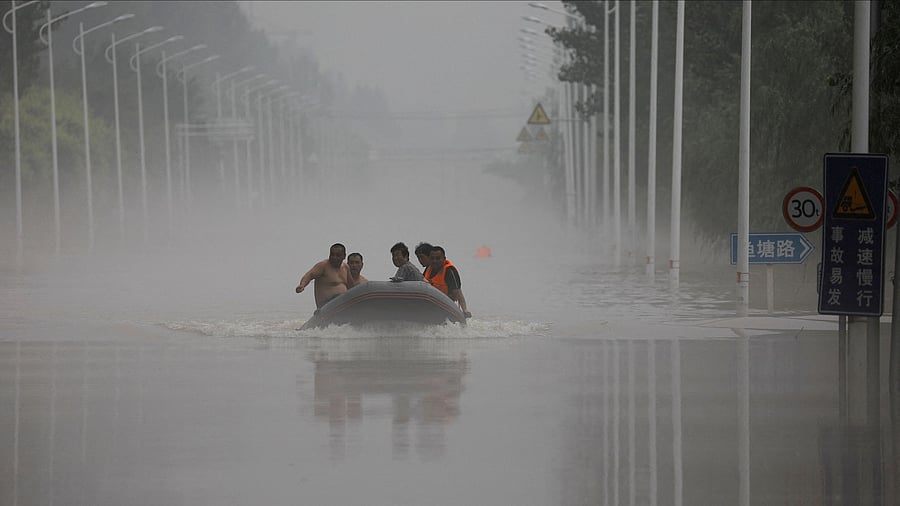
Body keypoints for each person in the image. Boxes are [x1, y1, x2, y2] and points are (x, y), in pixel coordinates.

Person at [295, 243, 351, 309]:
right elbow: (309, 275)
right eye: (332, 254)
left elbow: (351, 285)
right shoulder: (323, 266)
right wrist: (302, 285)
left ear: (344, 256)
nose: (334, 257)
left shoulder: (345, 267)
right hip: (326, 305)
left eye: (337, 255)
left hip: (342, 304)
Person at [424, 245, 471, 318]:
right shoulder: (428, 269)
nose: (434, 261)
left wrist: (465, 310)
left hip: (446, 305)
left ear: (444, 259)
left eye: (438, 258)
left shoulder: (449, 271)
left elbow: (458, 293)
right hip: (431, 304)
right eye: (432, 258)